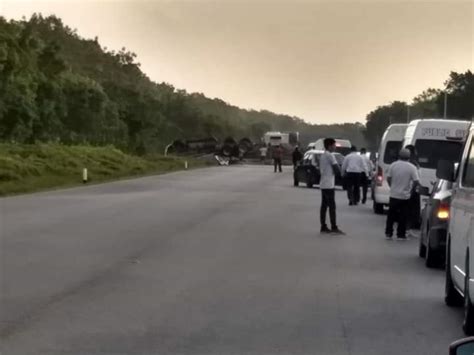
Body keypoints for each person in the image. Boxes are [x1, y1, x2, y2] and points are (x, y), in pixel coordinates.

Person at [385, 148, 420, 240]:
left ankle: (389, 233)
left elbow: (388, 178)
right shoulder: (412, 167)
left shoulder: (393, 165)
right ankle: (401, 234)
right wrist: (411, 190)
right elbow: (416, 181)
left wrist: (392, 186)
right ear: (409, 157)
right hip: (405, 196)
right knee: (403, 216)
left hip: (393, 195)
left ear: (399, 156)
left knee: (391, 215)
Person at [319, 138, 344, 234]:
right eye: (334, 145)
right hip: (329, 184)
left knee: (324, 206)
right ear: (329, 146)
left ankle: (323, 226)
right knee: (332, 207)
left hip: (324, 183)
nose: (335, 147)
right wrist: (340, 172)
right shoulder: (330, 156)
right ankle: (334, 226)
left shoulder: (323, 155)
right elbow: (337, 169)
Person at [405, 144, 421, 230]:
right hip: (411, 189)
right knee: (410, 210)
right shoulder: (413, 164)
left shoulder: (411, 163)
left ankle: (407, 228)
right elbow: (416, 179)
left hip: (408, 189)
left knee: (408, 210)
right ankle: (407, 228)